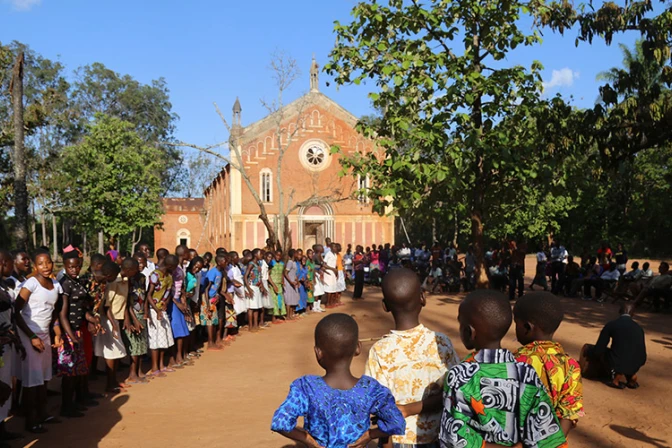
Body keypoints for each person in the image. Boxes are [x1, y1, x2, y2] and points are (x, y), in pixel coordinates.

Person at [439, 290, 567, 448]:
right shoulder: (526, 373)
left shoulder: (459, 376)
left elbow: (453, 439)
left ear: (469, 332)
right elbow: (546, 435)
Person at [271, 313, 406, 447]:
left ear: (318, 353)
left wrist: (309, 441)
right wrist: (369, 435)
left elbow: (280, 422)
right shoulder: (371, 389)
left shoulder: (306, 387)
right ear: (358, 348)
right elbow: (396, 421)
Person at [366, 268, 459, 447]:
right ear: (422, 298)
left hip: (399, 440)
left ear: (385, 306)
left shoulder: (380, 351)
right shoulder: (441, 343)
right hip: (439, 436)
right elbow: (454, 391)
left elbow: (379, 407)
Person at [514, 292, 584, 437]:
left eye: (516, 324)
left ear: (527, 327)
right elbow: (569, 415)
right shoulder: (570, 366)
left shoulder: (513, 362)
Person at [15, 250, 62, 433]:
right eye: (41, 264)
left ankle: (42, 414)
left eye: (48, 263)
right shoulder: (31, 284)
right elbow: (16, 312)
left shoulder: (56, 284)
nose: (45, 267)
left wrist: (56, 332)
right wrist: (32, 337)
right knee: (31, 380)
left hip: (45, 334)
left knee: (43, 378)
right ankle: (30, 420)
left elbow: (54, 311)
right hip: (30, 334)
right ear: (35, 266)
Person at [57, 251, 98, 417]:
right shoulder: (65, 284)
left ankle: (75, 402)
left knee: (77, 371)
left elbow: (81, 308)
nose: (74, 269)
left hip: (78, 329)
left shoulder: (77, 282)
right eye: (71, 267)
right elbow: (62, 314)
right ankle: (66, 407)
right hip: (69, 332)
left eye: (77, 266)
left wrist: (91, 319)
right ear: (65, 267)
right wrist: (71, 336)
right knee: (69, 372)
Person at [580, 303, 646, 389]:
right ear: (633, 314)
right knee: (627, 352)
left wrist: (590, 352)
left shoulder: (612, 324)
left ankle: (616, 379)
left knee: (607, 353)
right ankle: (631, 375)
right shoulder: (639, 328)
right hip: (639, 362)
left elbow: (599, 348)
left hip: (619, 361)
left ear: (619, 312)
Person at [95, 260, 130, 394]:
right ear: (109, 275)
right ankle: (109, 384)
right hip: (108, 320)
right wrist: (113, 324)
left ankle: (113, 381)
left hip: (114, 319)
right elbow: (106, 306)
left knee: (116, 352)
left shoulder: (110, 282)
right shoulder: (110, 284)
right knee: (112, 352)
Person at [146, 255, 177, 377]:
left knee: (164, 337)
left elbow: (169, 293)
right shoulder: (155, 275)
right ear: (169, 266)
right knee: (155, 338)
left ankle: (161, 365)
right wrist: (156, 310)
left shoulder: (169, 276)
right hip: (153, 310)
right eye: (174, 267)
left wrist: (166, 303)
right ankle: (154, 368)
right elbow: (149, 295)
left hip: (162, 309)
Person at [125, 255, 149, 384]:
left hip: (141, 313)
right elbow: (127, 302)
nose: (140, 265)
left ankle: (139, 371)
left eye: (141, 262)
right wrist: (134, 320)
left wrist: (146, 312)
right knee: (134, 345)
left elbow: (144, 295)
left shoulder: (142, 278)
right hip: (133, 314)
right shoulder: (127, 280)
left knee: (141, 344)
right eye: (137, 263)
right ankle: (132, 373)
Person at [201, 254, 226, 348]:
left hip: (213, 298)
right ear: (219, 262)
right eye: (224, 261)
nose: (226, 263)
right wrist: (207, 304)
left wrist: (217, 296)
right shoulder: (213, 272)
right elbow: (207, 288)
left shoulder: (220, 272)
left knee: (214, 321)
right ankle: (210, 344)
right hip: (208, 298)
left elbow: (216, 288)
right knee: (210, 321)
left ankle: (213, 342)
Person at [244, 249, 264, 332]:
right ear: (256, 254)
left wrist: (261, 285)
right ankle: (250, 326)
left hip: (257, 287)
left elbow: (259, 276)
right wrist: (248, 288)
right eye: (260, 254)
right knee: (251, 308)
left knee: (257, 307)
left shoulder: (258, 263)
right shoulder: (251, 264)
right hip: (251, 286)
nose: (262, 256)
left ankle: (256, 325)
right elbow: (245, 276)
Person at [268, 251, 286, 324]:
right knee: (274, 301)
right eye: (277, 255)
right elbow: (268, 275)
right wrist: (273, 284)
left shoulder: (282, 264)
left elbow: (282, 273)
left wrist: (282, 281)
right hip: (273, 284)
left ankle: (278, 315)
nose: (278, 257)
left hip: (279, 284)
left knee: (279, 300)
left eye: (279, 256)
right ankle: (273, 318)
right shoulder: (271, 263)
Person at [283, 249, 301, 320]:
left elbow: (294, 273)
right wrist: (290, 282)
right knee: (289, 299)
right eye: (296, 253)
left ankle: (291, 315)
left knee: (293, 298)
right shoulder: (290, 262)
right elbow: (285, 273)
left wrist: (297, 280)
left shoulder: (294, 262)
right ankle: (288, 316)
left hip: (293, 282)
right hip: (289, 282)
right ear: (294, 254)